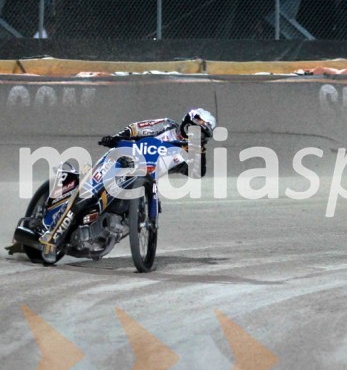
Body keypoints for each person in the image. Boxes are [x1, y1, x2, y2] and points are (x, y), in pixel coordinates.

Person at [39, 109, 218, 262]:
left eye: (201, 133)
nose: (195, 134)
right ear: (186, 121)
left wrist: (199, 150)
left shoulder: (189, 150)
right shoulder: (166, 125)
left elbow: (196, 172)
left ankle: (106, 232)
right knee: (88, 193)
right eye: (194, 128)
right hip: (120, 159)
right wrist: (117, 137)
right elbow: (136, 128)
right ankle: (51, 240)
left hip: (144, 180)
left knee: (136, 209)